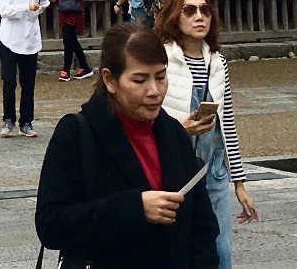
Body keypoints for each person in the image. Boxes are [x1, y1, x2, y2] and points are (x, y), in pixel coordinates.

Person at [35, 23, 217, 269]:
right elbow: (51, 225)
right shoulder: (77, 133)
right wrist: (133, 208)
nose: (154, 91)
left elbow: (202, 226)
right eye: (140, 80)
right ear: (110, 80)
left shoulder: (173, 133)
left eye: (161, 77)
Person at [156, 0, 255, 269]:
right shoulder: (162, 59)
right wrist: (180, 128)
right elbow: (149, 120)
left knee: (222, 251)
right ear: (175, 16)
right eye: (190, 10)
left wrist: (239, 182)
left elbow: (228, 124)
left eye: (205, 10)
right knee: (180, 250)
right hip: (176, 169)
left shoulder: (218, 60)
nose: (199, 17)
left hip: (213, 170)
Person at [0, 0, 46, 139]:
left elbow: (45, 3)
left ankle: (26, 121)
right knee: (9, 81)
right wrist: (26, 7)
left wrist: (37, 8)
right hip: (9, 41)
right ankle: (8, 119)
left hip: (30, 42)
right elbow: (4, 10)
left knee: (28, 84)